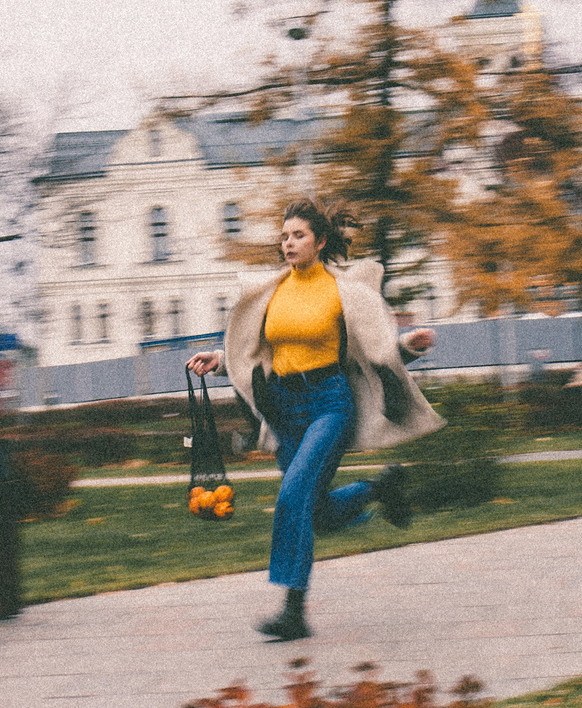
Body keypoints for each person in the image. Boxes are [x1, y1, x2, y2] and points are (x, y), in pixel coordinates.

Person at [188, 197, 443, 640]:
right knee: (316, 513)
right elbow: (257, 351)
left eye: (298, 235)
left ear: (320, 241)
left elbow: (373, 350)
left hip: (330, 404)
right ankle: (380, 488)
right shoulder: (272, 290)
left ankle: (293, 611)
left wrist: (408, 346)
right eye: (284, 236)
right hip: (284, 408)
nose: (288, 243)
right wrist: (219, 358)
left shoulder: (343, 290)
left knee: (293, 494)